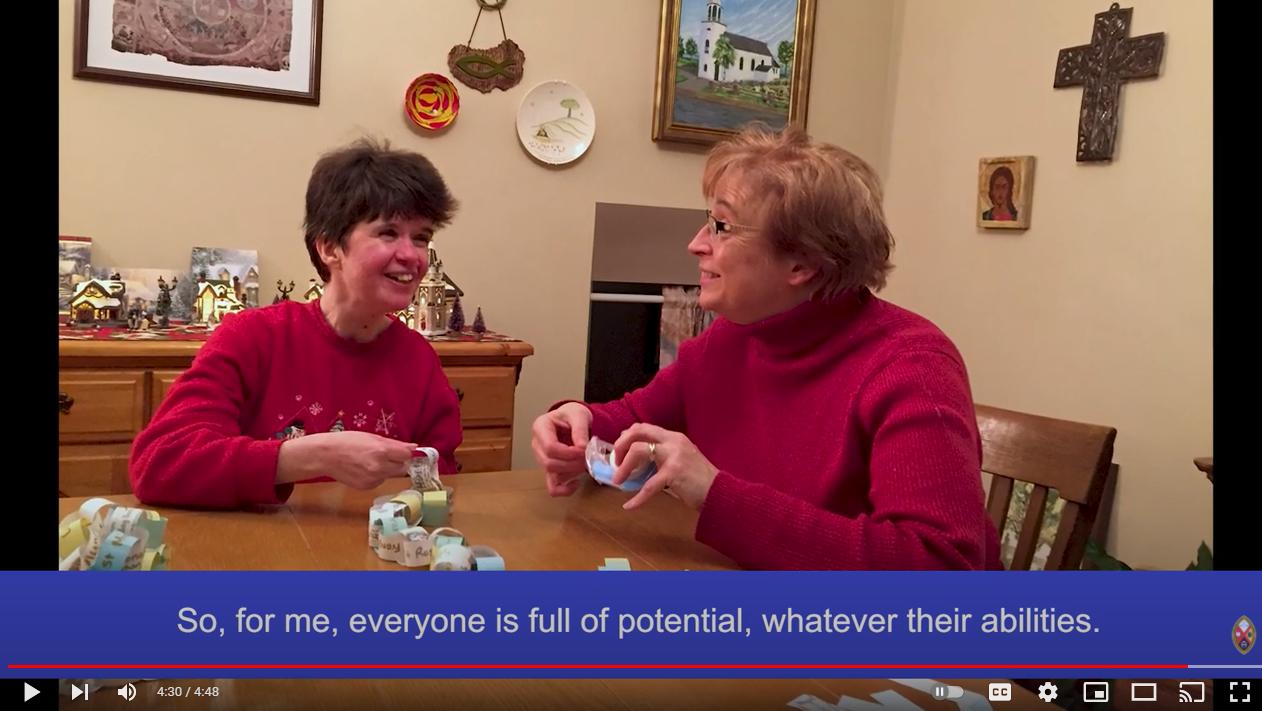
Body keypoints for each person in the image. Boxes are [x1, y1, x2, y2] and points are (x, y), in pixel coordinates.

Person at [531, 124, 1002, 571]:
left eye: (721, 226)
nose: (696, 244)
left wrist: (712, 492)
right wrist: (576, 422)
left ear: (801, 262)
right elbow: (631, 416)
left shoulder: (912, 367)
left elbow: (937, 566)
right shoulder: (733, 337)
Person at [130, 138, 464, 509]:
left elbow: (440, 477)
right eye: (388, 233)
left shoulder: (418, 359)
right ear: (329, 248)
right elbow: (159, 464)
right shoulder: (253, 337)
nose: (411, 255)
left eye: (421, 238)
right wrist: (312, 456)